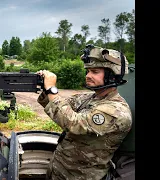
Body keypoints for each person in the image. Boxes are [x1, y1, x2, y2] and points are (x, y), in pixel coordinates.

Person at [37, 45, 133, 180]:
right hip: (59, 171)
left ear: (112, 74)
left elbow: (73, 123)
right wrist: (43, 86)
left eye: (94, 72)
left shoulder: (116, 111)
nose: (88, 76)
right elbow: (58, 107)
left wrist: (52, 89)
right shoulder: (89, 98)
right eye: (87, 71)